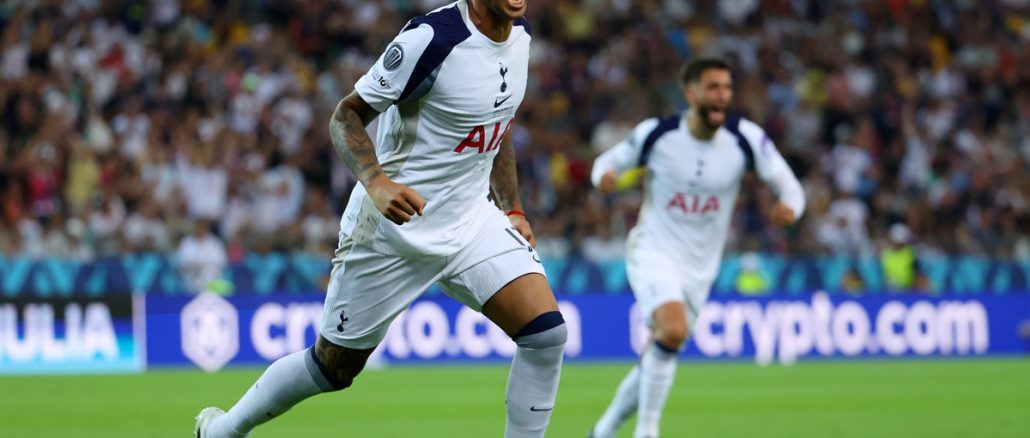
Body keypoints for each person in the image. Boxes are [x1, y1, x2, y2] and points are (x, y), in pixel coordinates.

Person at [195, 1, 567, 437]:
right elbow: (346, 115)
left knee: (545, 335)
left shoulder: (520, 36)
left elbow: (497, 125)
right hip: (394, 231)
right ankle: (222, 431)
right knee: (332, 368)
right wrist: (377, 182)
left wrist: (513, 208)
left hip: (471, 223)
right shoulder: (431, 40)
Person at [588, 57, 806, 438]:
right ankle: (647, 430)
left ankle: (604, 430)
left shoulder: (746, 139)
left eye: (727, 88)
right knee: (671, 331)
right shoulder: (658, 134)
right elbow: (608, 162)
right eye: (713, 88)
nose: (722, 96)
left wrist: (790, 207)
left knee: (661, 348)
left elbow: (790, 187)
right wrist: (603, 176)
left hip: (700, 266)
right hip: (652, 249)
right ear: (691, 94)